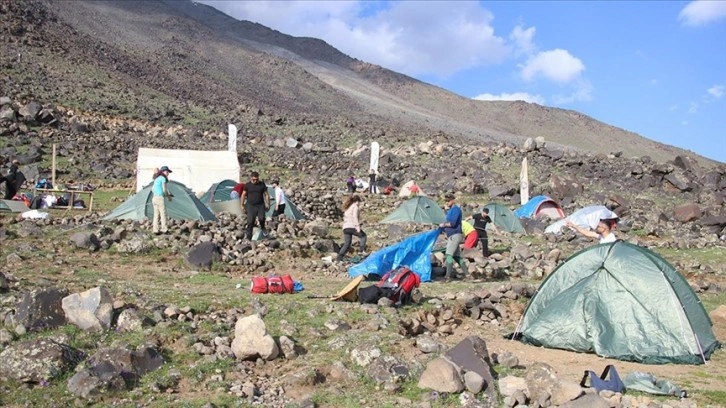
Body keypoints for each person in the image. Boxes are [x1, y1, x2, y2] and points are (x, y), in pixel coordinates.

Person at [438, 193, 468, 280]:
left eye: (448, 201)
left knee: (448, 255)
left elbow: (453, 223)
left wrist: (443, 224)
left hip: (455, 235)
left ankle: (448, 276)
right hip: (452, 235)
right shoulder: (450, 210)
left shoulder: (456, 210)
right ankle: (468, 275)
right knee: (457, 256)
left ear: (452, 200)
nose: (447, 202)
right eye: (446, 201)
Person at [337, 194, 367, 261]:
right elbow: (354, 217)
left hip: (345, 228)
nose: (359, 204)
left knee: (347, 243)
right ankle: (361, 251)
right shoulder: (355, 207)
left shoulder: (348, 207)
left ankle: (339, 257)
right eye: (359, 202)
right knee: (363, 236)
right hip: (352, 226)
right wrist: (357, 226)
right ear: (357, 201)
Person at [240, 171, 270, 240]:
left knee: (261, 218)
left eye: (256, 179)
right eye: (253, 179)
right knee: (250, 221)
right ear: (251, 178)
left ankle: (263, 227)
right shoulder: (247, 185)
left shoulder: (262, 185)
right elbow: (243, 195)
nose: (255, 181)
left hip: (260, 205)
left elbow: (266, 194)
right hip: (251, 205)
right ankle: (248, 237)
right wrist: (242, 205)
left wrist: (268, 204)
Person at [152, 165, 173, 234]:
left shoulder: (156, 178)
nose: (168, 173)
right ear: (163, 172)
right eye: (167, 172)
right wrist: (168, 197)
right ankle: (164, 229)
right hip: (160, 198)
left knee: (156, 214)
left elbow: (153, 189)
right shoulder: (163, 178)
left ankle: (155, 229)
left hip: (154, 198)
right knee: (163, 214)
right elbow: (164, 189)